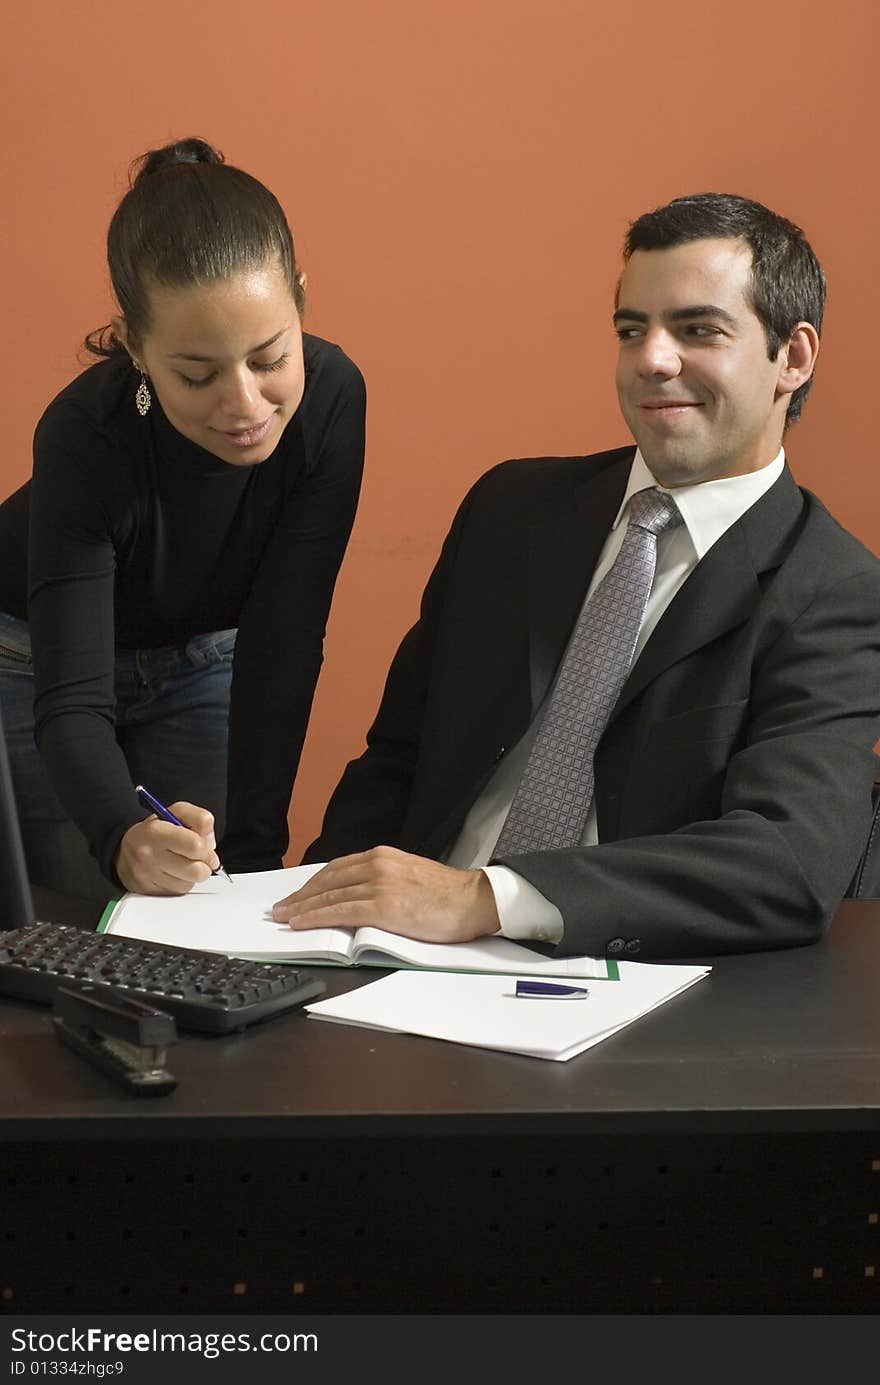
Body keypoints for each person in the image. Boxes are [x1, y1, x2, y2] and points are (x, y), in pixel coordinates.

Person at [272, 192, 880, 959]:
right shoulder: (509, 510)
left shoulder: (835, 590)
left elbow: (787, 863)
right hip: (394, 956)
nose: (653, 359)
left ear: (792, 357)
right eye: (633, 330)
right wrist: (307, 927)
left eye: (697, 329)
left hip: (615, 987)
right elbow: (395, 761)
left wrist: (490, 897)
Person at [0, 137, 365, 901]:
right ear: (135, 345)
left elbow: (285, 641)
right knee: (68, 925)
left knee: (207, 900)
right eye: (197, 374)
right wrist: (118, 833)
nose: (244, 405)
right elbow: (72, 699)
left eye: (270, 358)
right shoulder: (84, 434)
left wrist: (258, 856)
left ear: (300, 298)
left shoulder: (332, 398)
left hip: (200, 656)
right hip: (29, 656)